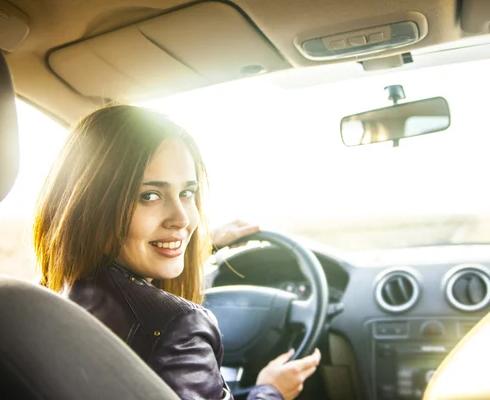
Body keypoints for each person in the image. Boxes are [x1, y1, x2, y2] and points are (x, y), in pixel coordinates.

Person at [34, 104, 321, 400]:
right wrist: (269, 390)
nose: (183, 219)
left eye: (187, 193)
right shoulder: (179, 327)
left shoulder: (43, 296)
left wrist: (205, 242)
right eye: (149, 196)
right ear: (90, 204)